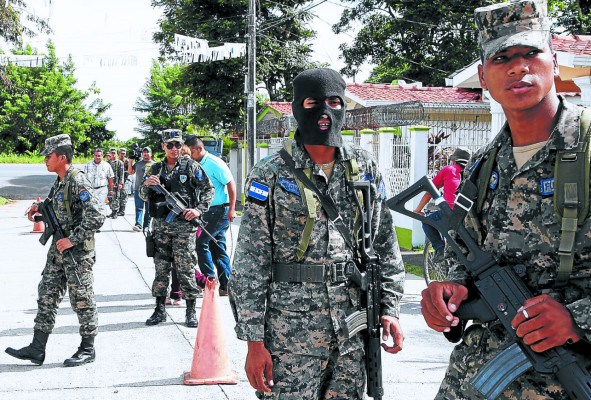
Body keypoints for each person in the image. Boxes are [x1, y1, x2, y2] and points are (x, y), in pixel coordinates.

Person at [420, 1, 591, 399]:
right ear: (483, 75)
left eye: (531, 53)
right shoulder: (484, 167)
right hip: (475, 379)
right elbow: (461, 247)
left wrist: (577, 319)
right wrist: (446, 289)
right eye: (502, 58)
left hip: (566, 379)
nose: (518, 67)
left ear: (555, 60)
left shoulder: (586, 151)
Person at [229, 68, 405, 399]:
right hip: (289, 335)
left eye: (334, 102)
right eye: (313, 103)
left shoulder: (364, 168)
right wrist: (253, 340)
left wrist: (389, 307)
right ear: (297, 108)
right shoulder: (269, 174)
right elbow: (250, 262)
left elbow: (384, 242)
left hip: (352, 328)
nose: (325, 113)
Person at [5, 134, 105, 367]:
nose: (44, 160)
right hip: (57, 251)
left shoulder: (78, 181)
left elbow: (98, 215)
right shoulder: (60, 180)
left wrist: (73, 239)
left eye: (48, 156)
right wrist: (38, 208)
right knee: (47, 295)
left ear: (62, 157)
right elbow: (54, 206)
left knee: (82, 298)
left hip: (76, 253)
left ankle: (87, 349)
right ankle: (37, 348)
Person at [140, 129, 214, 328]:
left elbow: (208, 189)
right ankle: (159, 310)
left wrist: (198, 210)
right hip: (161, 227)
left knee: (186, 269)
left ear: (183, 146)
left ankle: (190, 311)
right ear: (163, 146)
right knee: (161, 268)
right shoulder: (155, 168)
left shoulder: (191, 166)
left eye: (178, 145)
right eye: (170, 145)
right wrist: (148, 184)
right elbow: (143, 195)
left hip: (184, 228)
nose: (174, 149)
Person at [185, 135, 236, 296]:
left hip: (218, 210)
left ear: (199, 149)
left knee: (201, 243)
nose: (190, 156)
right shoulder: (197, 164)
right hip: (208, 210)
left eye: (191, 152)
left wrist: (232, 209)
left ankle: (209, 280)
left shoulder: (214, 163)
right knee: (217, 247)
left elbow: (231, 183)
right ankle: (226, 285)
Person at [413, 147, 471, 262]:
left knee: (427, 222)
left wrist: (418, 209)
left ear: (453, 161)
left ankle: (439, 249)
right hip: (469, 215)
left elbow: (430, 192)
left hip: (451, 213)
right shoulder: (472, 171)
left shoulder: (449, 169)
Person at [83, 148, 115, 217]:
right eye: (96, 155)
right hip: (91, 189)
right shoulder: (88, 165)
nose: (97, 157)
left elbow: (110, 179)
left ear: (102, 156)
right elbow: (84, 178)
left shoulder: (107, 165)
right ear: (93, 156)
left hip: (102, 189)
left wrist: (111, 190)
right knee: (91, 205)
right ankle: (93, 220)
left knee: (100, 204)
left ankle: (101, 218)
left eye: (99, 155)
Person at [129, 146, 155, 231]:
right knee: (138, 208)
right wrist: (130, 161)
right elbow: (130, 172)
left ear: (151, 154)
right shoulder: (138, 163)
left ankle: (146, 226)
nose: (146, 154)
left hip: (150, 190)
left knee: (148, 209)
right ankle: (138, 224)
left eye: (148, 152)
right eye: (144, 152)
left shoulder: (155, 164)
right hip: (138, 189)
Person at [107, 147, 124, 219]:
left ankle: (115, 212)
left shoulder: (120, 162)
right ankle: (112, 210)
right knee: (110, 197)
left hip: (116, 182)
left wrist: (120, 183)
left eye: (114, 153)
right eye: (111, 153)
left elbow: (122, 174)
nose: (113, 154)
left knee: (116, 197)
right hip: (108, 182)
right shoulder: (107, 163)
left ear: (116, 153)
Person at [116, 148, 131, 216]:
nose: (122, 155)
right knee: (116, 195)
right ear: (119, 153)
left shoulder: (126, 161)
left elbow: (130, 171)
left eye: (123, 153)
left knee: (123, 195)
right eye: (121, 153)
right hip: (116, 180)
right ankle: (116, 209)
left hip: (124, 180)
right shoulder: (116, 161)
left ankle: (122, 210)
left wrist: (123, 173)